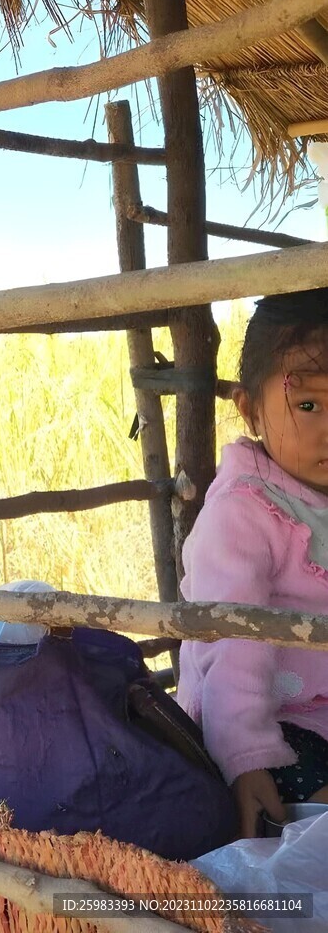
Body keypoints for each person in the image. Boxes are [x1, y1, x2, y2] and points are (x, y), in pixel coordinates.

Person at [177, 287, 328, 840]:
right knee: (301, 798)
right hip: (256, 721)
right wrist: (245, 757)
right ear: (249, 408)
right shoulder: (243, 511)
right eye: (308, 405)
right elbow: (233, 644)